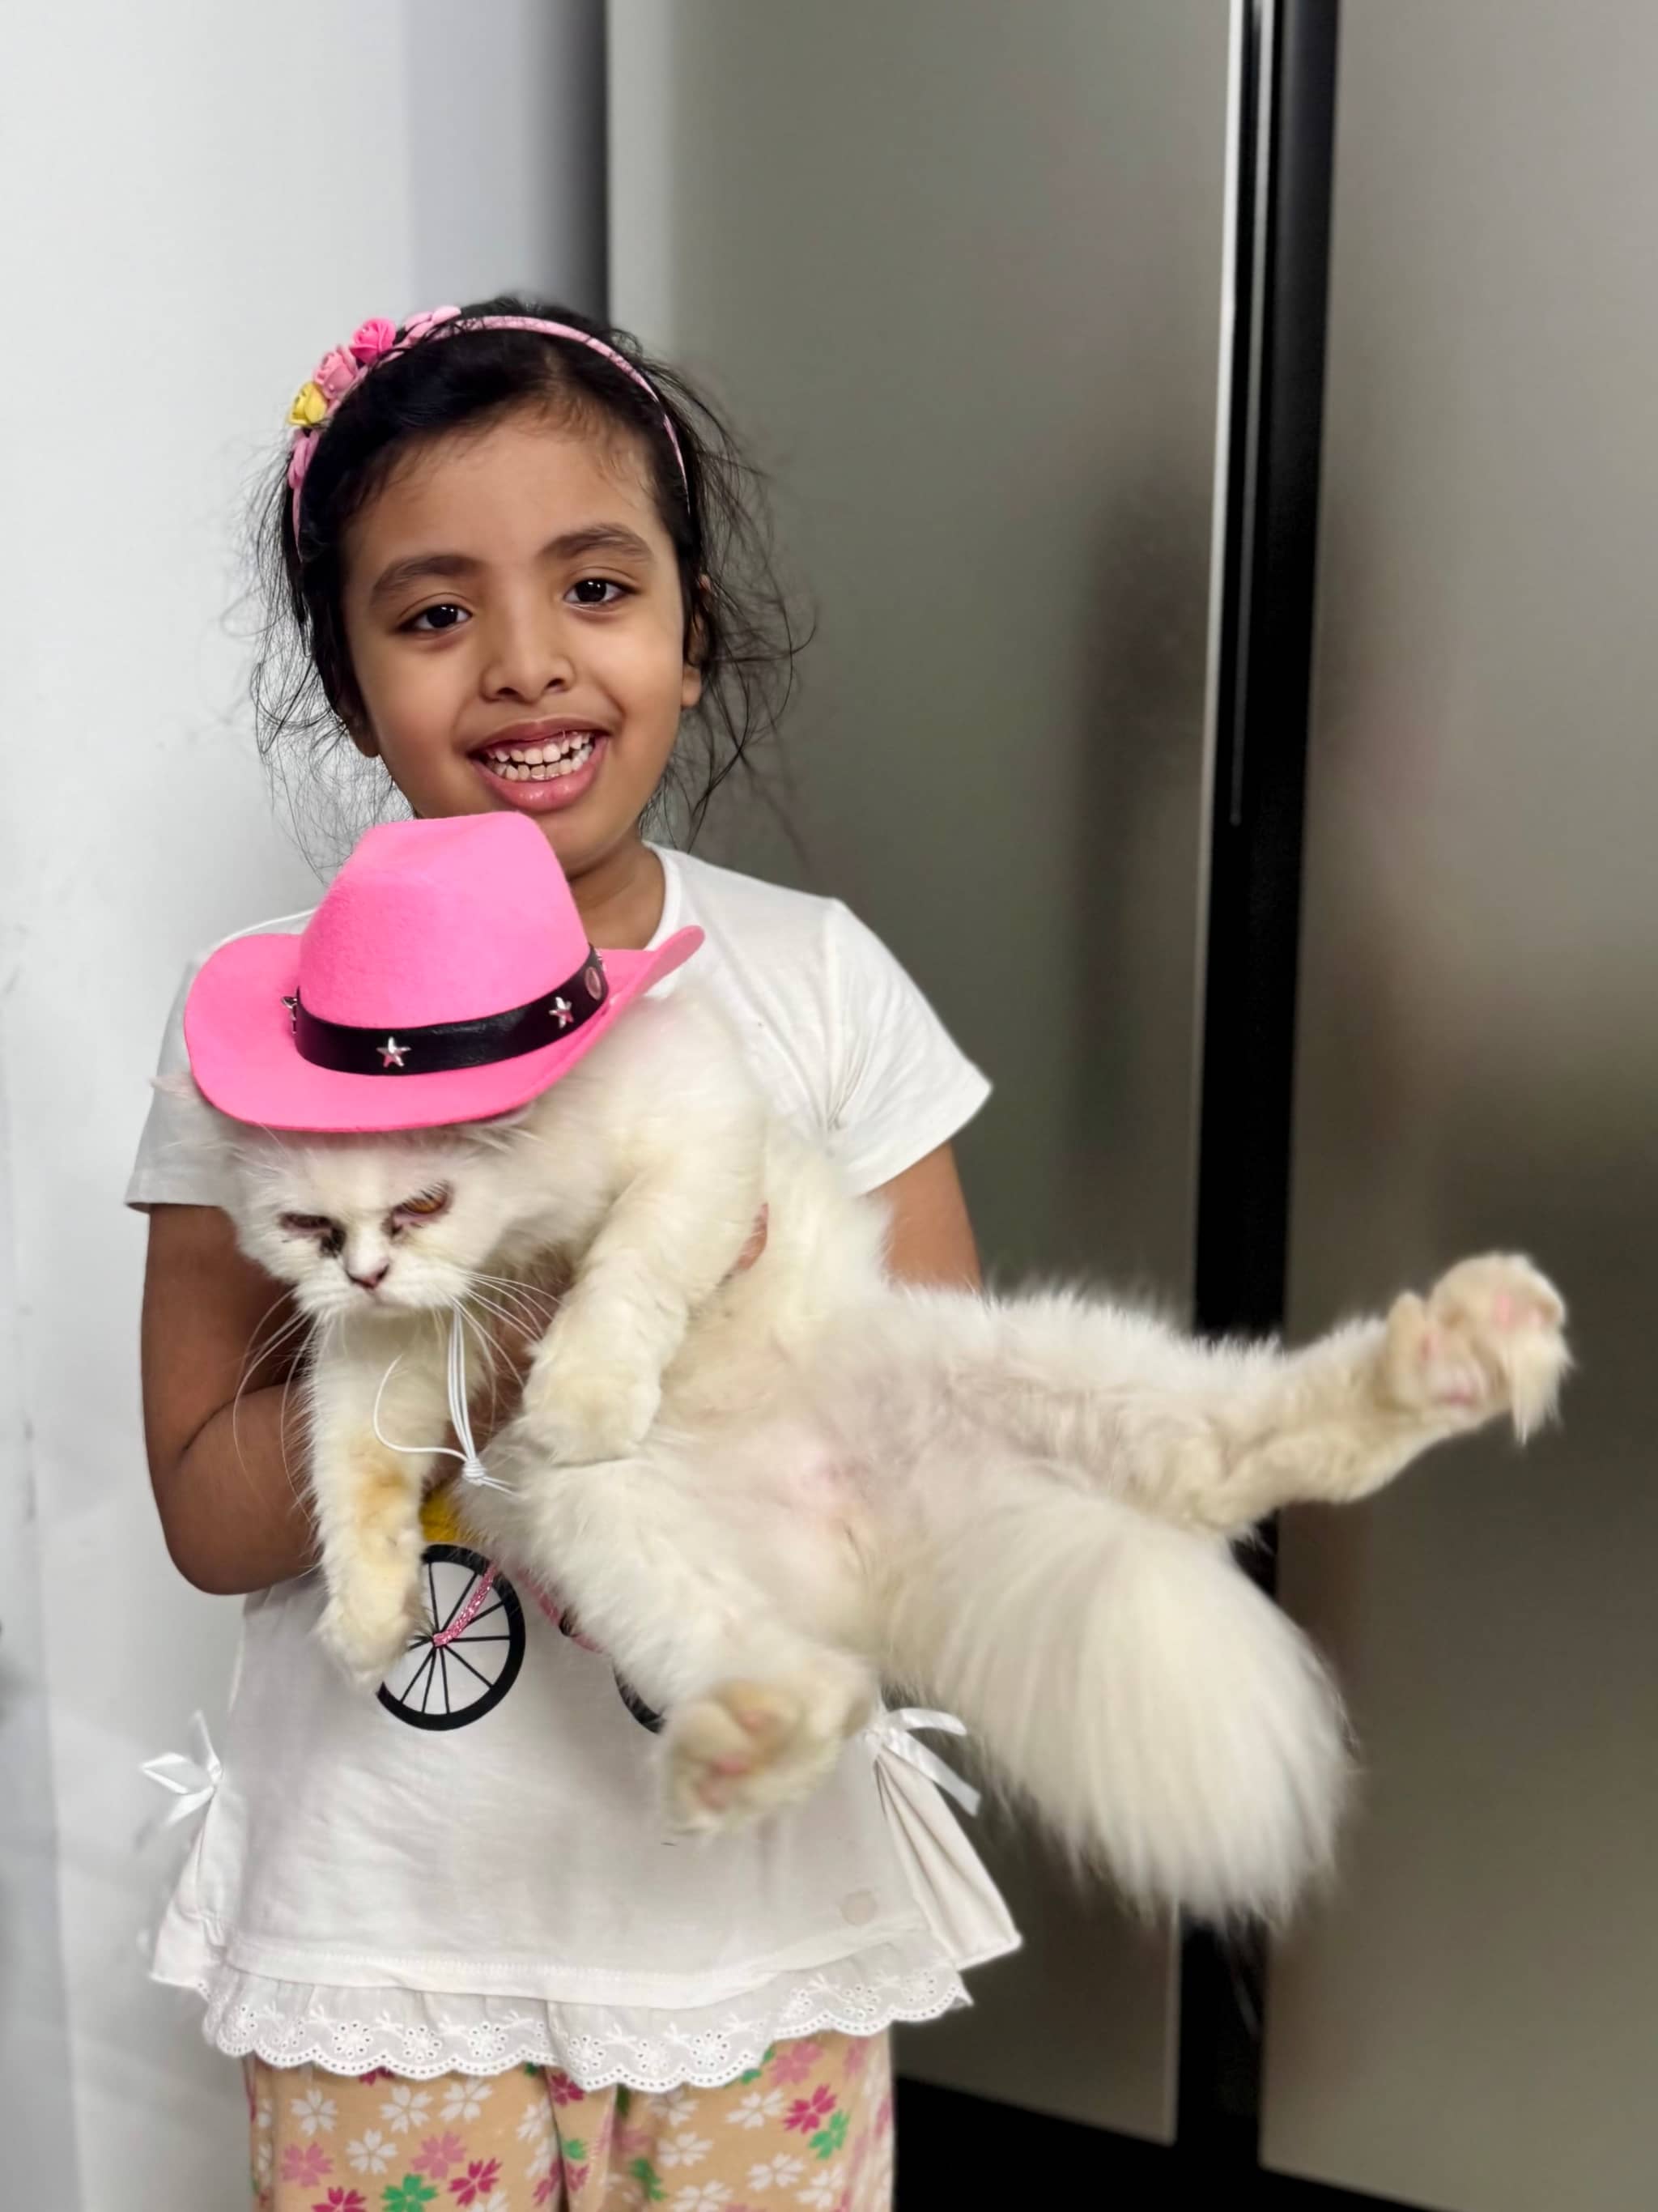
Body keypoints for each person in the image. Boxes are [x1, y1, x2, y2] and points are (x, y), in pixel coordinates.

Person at [131, 298, 1017, 2210]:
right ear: (352, 675)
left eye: (596, 584)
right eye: (433, 611)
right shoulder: (259, 1038)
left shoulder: (817, 982)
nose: (527, 666)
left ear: (691, 632)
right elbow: (211, 1517)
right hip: (391, 1942)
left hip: (749, 1932)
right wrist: (506, 1333)